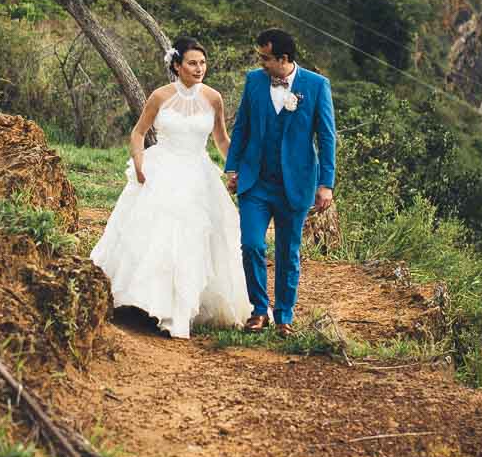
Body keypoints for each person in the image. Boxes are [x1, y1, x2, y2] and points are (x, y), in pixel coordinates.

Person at [90, 37, 251, 338]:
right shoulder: (160, 96)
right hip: (162, 168)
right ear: (177, 65)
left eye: (202, 63)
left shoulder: (214, 98)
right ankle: (144, 302)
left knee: (196, 236)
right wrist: (138, 162)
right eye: (192, 63)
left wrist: (240, 167)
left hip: (198, 172)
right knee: (156, 234)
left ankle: (185, 307)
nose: (199, 68)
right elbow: (138, 133)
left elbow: (221, 140)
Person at [223, 27, 336, 333]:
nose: (261, 63)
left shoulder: (316, 85)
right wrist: (232, 168)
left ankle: (284, 316)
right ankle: (259, 309)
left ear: (283, 59)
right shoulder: (254, 81)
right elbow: (242, 127)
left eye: (266, 58)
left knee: (288, 252)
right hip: (255, 182)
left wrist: (326, 184)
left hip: (295, 184)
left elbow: (327, 137)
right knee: (251, 244)